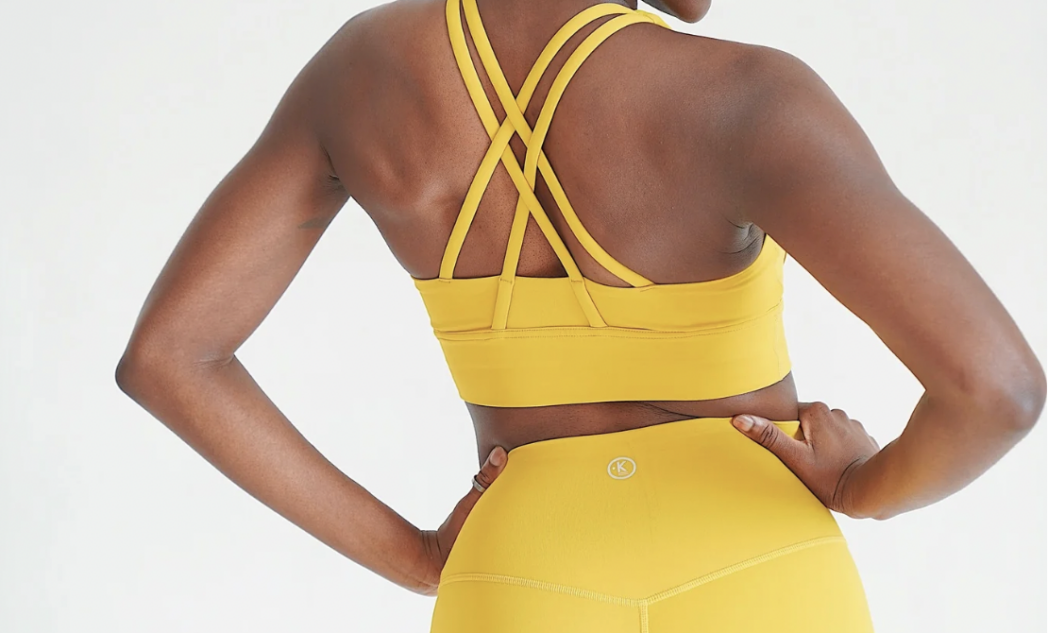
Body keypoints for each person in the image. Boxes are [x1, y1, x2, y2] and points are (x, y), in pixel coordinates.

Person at [114, 0, 1045, 630]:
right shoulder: (746, 96)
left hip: (515, 578)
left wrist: (420, 558)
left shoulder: (359, 76)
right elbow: (996, 389)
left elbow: (169, 357)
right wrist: (859, 485)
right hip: (762, 571)